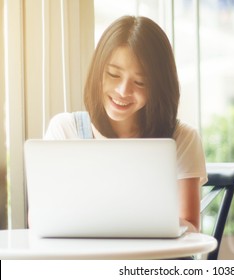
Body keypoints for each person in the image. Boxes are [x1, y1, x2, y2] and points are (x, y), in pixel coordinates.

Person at [44, 15, 207, 233]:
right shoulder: (66, 130)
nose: (123, 91)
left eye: (140, 82)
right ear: (97, 71)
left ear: (158, 86)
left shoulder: (182, 139)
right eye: (113, 74)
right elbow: (39, 219)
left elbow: (191, 227)